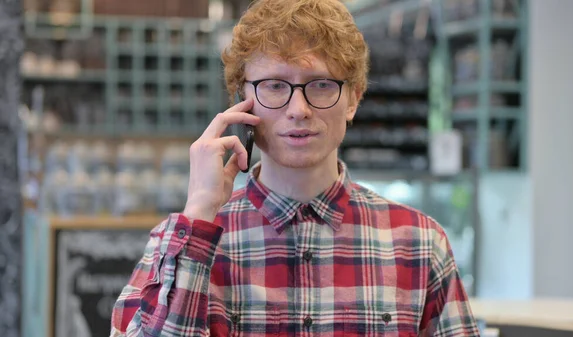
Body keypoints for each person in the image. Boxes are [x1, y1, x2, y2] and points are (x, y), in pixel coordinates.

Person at [111, 0, 480, 335]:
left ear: (353, 98)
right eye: (274, 85)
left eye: (321, 85)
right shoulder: (184, 242)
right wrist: (199, 216)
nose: (299, 109)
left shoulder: (418, 243)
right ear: (244, 99)